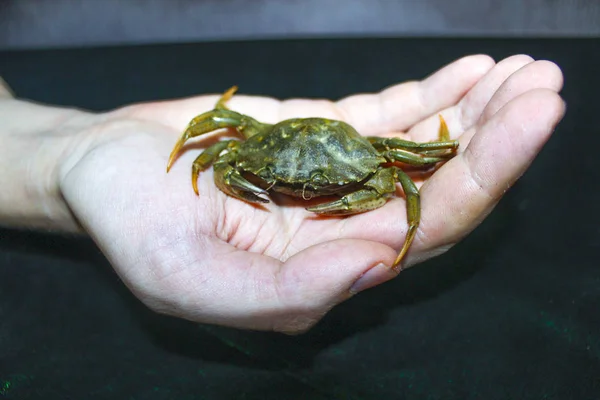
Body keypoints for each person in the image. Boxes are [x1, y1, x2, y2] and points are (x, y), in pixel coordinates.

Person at [0, 55, 565, 334]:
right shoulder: (238, 143)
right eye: (288, 187)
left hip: (344, 148)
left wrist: (63, 149)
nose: (304, 193)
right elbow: (215, 139)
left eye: (316, 190)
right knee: (213, 155)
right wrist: (84, 150)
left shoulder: (377, 162)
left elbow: (418, 170)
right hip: (280, 142)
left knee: (423, 171)